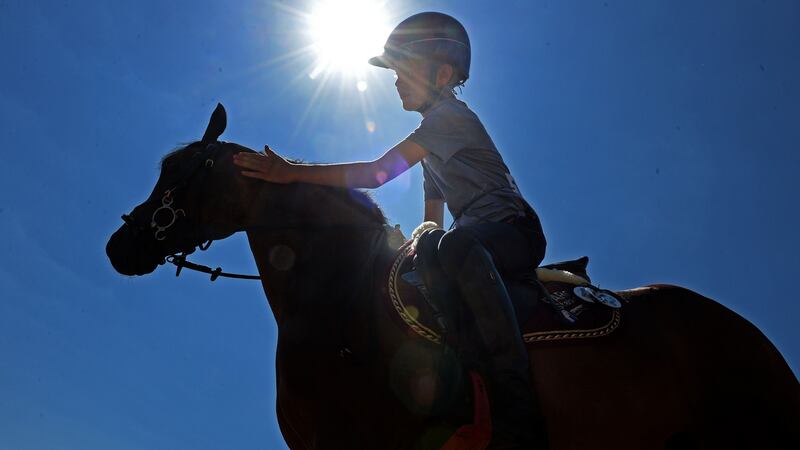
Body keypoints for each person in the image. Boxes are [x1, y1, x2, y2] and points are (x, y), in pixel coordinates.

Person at [233, 11, 548, 449]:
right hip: (473, 238)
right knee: (431, 252)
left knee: (451, 246)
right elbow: (432, 218)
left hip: (513, 231)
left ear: (441, 73)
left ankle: (514, 410)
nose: (396, 80)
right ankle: (460, 392)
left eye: (404, 69)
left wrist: (292, 174)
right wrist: (411, 248)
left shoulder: (450, 119)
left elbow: (378, 173)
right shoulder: (434, 138)